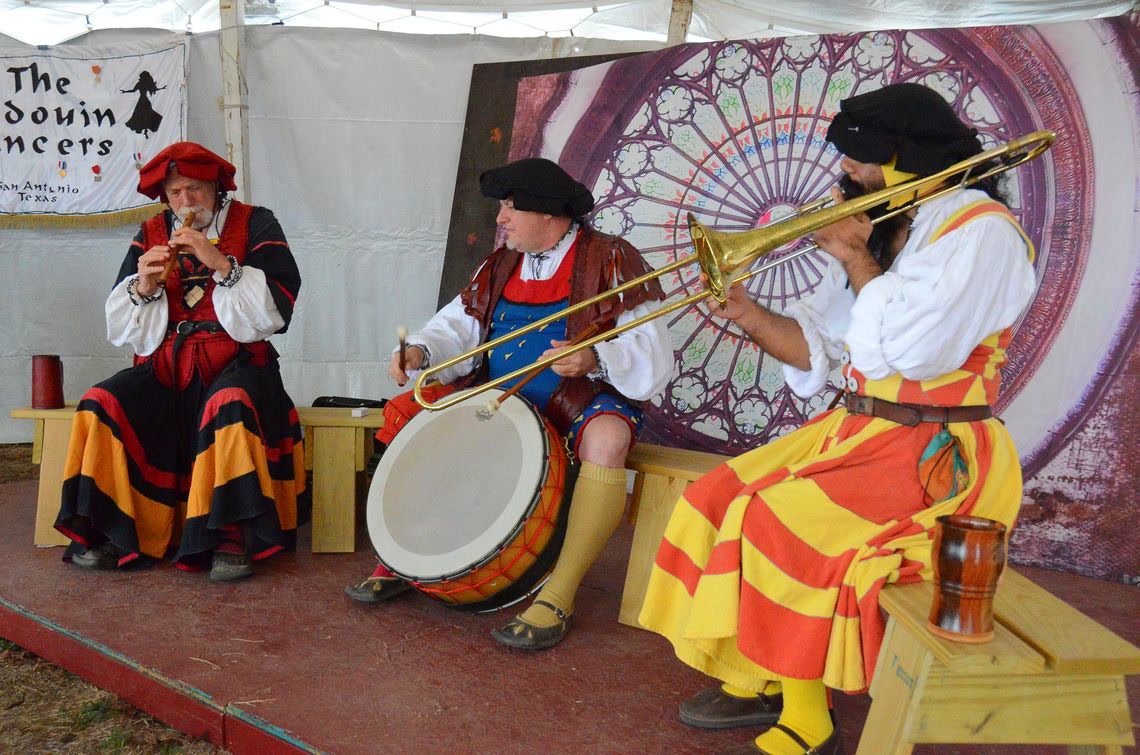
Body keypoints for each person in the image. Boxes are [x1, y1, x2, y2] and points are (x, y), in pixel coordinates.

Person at [637, 83, 1038, 754]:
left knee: (779, 520)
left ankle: (810, 717)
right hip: (864, 430)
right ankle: (762, 668)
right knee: (717, 496)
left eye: (860, 158)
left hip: (934, 446)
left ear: (908, 158)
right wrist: (750, 315)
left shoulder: (981, 233)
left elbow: (914, 351)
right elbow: (830, 349)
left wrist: (855, 256)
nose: (845, 170)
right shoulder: (891, 218)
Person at [345, 157, 674, 650]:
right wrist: (421, 350)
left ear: (548, 213)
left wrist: (595, 357)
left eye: (511, 207)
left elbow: (653, 349)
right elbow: (458, 327)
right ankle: (406, 558)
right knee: (415, 410)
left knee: (608, 439)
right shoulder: (500, 263)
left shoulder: (610, 258)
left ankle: (559, 593)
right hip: (500, 391)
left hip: (575, 398)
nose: (500, 218)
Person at [55, 141, 306, 582]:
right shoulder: (151, 231)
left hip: (239, 362)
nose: (186, 201)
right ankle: (116, 528)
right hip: (166, 365)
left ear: (216, 188)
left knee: (228, 402)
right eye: (175, 193)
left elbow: (277, 310)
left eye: (195, 189)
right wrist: (144, 286)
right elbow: (123, 326)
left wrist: (220, 263)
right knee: (101, 401)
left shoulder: (255, 222)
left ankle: (229, 535)